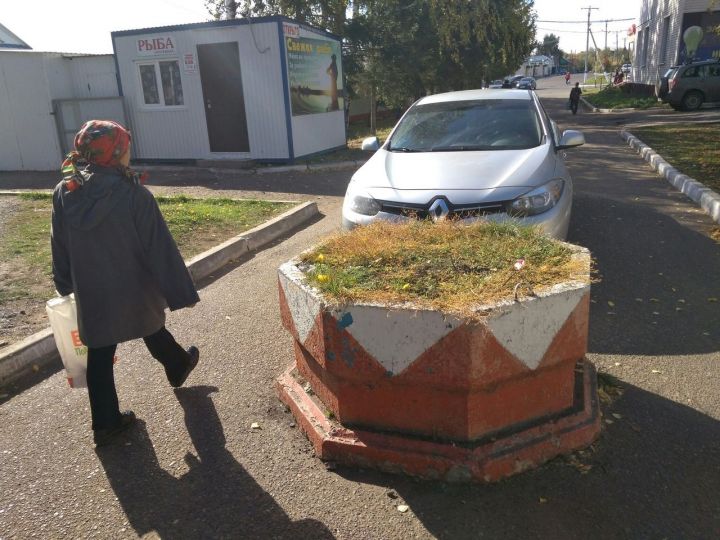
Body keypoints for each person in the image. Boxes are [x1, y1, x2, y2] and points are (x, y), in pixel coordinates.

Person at [51, 120, 200, 447]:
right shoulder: (134, 194)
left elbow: (58, 242)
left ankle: (106, 422)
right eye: (126, 149)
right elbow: (159, 246)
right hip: (133, 285)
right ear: (115, 153)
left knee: (100, 354)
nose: (130, 154)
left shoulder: (65, 192)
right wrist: (179, 291)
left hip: (94, 292)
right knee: (147, 320)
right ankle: (176, 364)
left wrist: (64, 282)